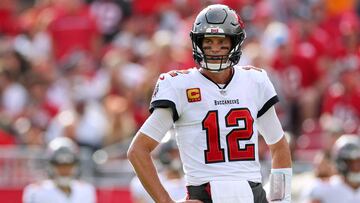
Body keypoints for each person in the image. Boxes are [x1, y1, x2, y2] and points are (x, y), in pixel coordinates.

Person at [127, 4, 292, 203]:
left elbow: (279, 146)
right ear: (197, 43)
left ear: (235, 42)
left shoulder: (254, 81)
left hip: (252, 193)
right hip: (205, 192)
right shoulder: (180, 86)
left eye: (221, 42)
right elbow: (138, 150)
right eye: (208, 42)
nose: (214, 48)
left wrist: (280, 199)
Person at [22, 137, 96, 203]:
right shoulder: (36, 192)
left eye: (68, 165)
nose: (65, 170)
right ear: (51, 166)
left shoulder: (86, 190)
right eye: (60, 165)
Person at [304, 134, 360, 203]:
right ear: (340, 161)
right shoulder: (324, 188)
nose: (356, 167)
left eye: (358, 161)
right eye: (350, 162)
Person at [130, 138, 187, 203]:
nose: (176, 157)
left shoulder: (191, 181)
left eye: (178, 153)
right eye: (172, 153)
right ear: (163, 155)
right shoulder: (143, 183)